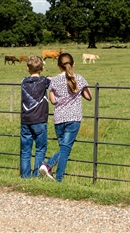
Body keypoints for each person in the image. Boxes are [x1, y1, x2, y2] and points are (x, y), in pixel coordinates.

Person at [39, 53, 92, 182]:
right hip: (73, 118)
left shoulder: (55, 80)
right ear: (73, 64)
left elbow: (52, 100)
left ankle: (50, 169)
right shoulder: (79, 78)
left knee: (64, 147)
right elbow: (89, 97)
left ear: (58, 66)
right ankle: (55, 173)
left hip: (59, 118)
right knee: (65, 149)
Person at [20, 55, 51, 178]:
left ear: (27, 69)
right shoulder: (44, 81)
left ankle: (25, 177)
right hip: (40, 119)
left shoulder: (23, 81)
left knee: (25, 151)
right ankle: (37, 175)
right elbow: (53, 81)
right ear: (42, 68)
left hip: (25, 120)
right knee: (40, 149)